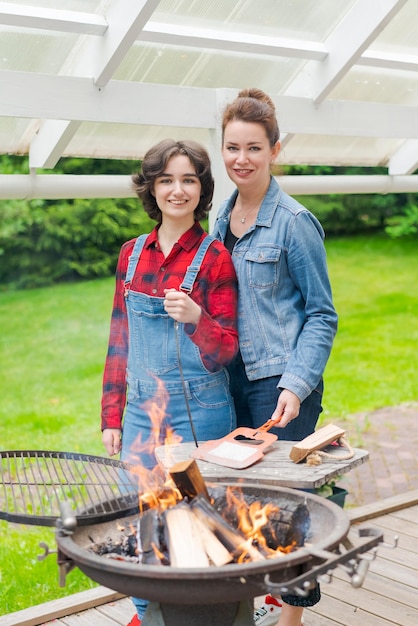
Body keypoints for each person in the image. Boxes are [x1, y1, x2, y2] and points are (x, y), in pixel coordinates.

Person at [212, 88, 338, 626]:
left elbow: (322, 314)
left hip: (279, 384)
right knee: (243, 502)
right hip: (231, 379)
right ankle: (259, 602)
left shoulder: (294, 222)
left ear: (275, 150)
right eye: (232, 147)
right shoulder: (224, 214)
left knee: (284, 508)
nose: (242, 159)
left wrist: (297, 384)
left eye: (254, 148)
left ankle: (292, 618)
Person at [101, 139, 239, 626]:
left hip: (200, 412)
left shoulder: (214, 256)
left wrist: (197, 317)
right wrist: (111, 415)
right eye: (166, 180)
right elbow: (120, 338)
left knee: (202, 528)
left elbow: (225, 350)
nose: (176, 190)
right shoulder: (131, 254)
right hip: (141, 412)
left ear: (200, 189)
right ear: (152, 188)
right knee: (143, 524)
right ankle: (147, 614)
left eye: (188, 179)